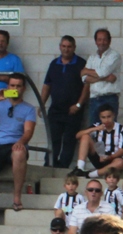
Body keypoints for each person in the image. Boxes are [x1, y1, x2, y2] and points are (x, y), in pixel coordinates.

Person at [0, 76, 36, 224]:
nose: (15, 89)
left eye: (18, 86)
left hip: (16, 145)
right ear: (7, 87)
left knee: (18, 152)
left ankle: (16, 197)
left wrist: (20, 142)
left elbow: (28, 131)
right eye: (12, 86)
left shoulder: (29, 108)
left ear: (24, 88)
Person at [41, 36, 87, 169]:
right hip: (55, 109)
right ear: (60, 47)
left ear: (74, 48)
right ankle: (49, 165)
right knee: (53, 139)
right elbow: (47, 85)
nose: (66, 49)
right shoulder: (54, 64)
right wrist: (42, 103)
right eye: (64, 46)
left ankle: (62, 168)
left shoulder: (81, 64)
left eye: (69, 46)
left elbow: (87, 87)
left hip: (73, 111)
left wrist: (79, 104)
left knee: (69, 141)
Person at [73, 104, 123, 180]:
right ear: (100, 118)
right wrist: (94, 129)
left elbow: (122, 150)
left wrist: (109, 157)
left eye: (109, 117)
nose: (106, 120)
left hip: (112, 159)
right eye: (103, 117)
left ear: (114, 116)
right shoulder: (97, 126)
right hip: (98, 157)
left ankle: (91, 174)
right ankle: (79, 168)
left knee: (121, 162)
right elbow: (77, 136)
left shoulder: (122, 129)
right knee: (85, 136)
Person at [82, 28, 122, 127]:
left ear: (109, 40)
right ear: (96, 41)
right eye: (99, 40)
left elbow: (102, 72)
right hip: (94, 99)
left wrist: (88, 71)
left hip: (109, 98)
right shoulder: (92, 57)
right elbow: (84, 78)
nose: (102, 42)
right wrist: (105, 78)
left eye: (104, 39)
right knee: (93, 131)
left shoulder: (114, 55)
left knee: (109, 130)